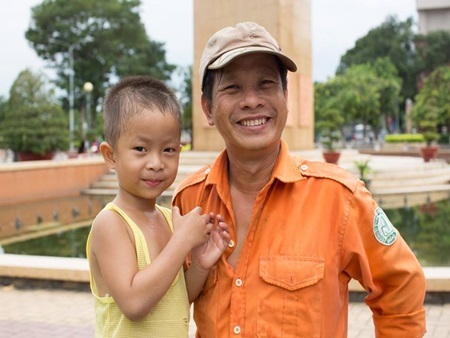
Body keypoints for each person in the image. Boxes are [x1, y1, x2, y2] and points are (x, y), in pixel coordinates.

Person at [173, 22, 426, 337]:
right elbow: (166, 305)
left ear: (285, 97)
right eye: (233, 87)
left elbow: (401, 285)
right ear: (208, 108)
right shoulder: (188, 202)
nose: (252, 100)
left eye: (266, 84)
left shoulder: (339, 199)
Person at [86, 75, 230, 337]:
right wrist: (182, 242)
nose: (156, 163)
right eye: (141, 149)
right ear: (111, 155)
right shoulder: (111, 224)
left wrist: (200, 264)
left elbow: (172, 298)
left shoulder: (167, 218)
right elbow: (135, 303)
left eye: (168, 150)